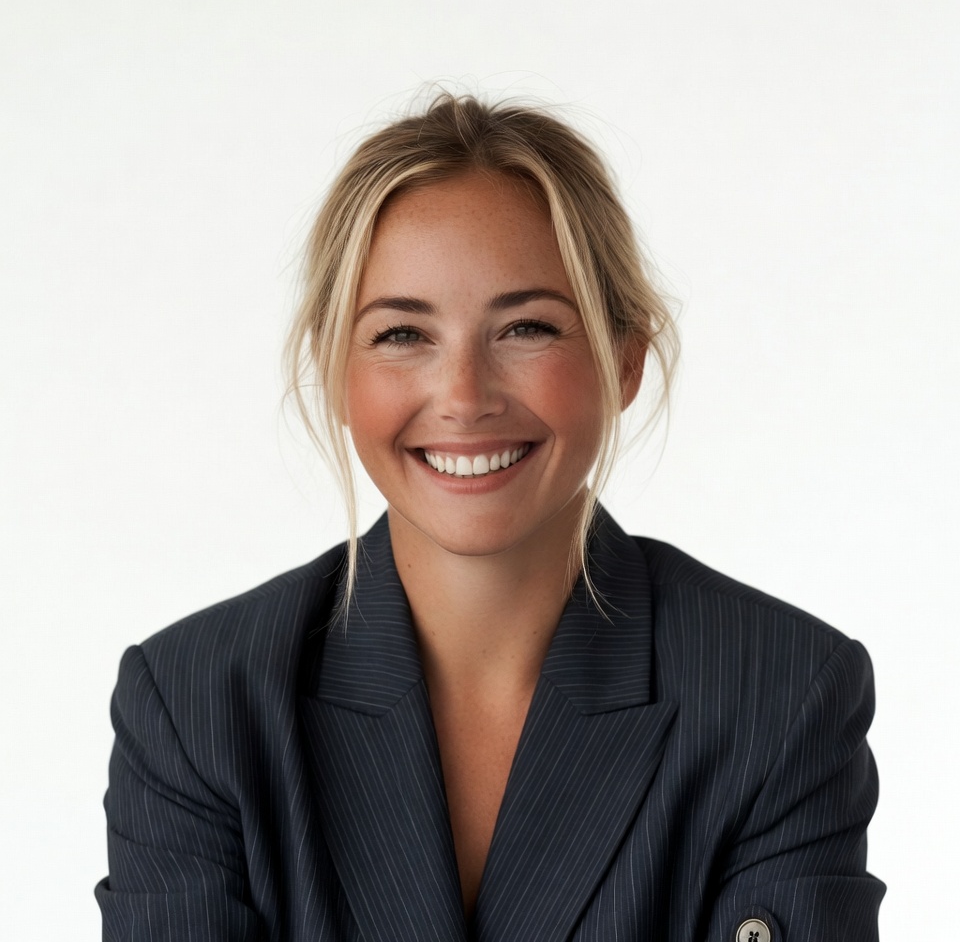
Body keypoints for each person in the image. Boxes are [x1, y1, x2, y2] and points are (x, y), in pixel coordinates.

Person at [96, 94, 884, 942]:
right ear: (334, 368)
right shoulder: (196, 708)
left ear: (624, 359)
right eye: (403, 335)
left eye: (526, 327)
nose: (465, 397)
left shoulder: (781, 693)